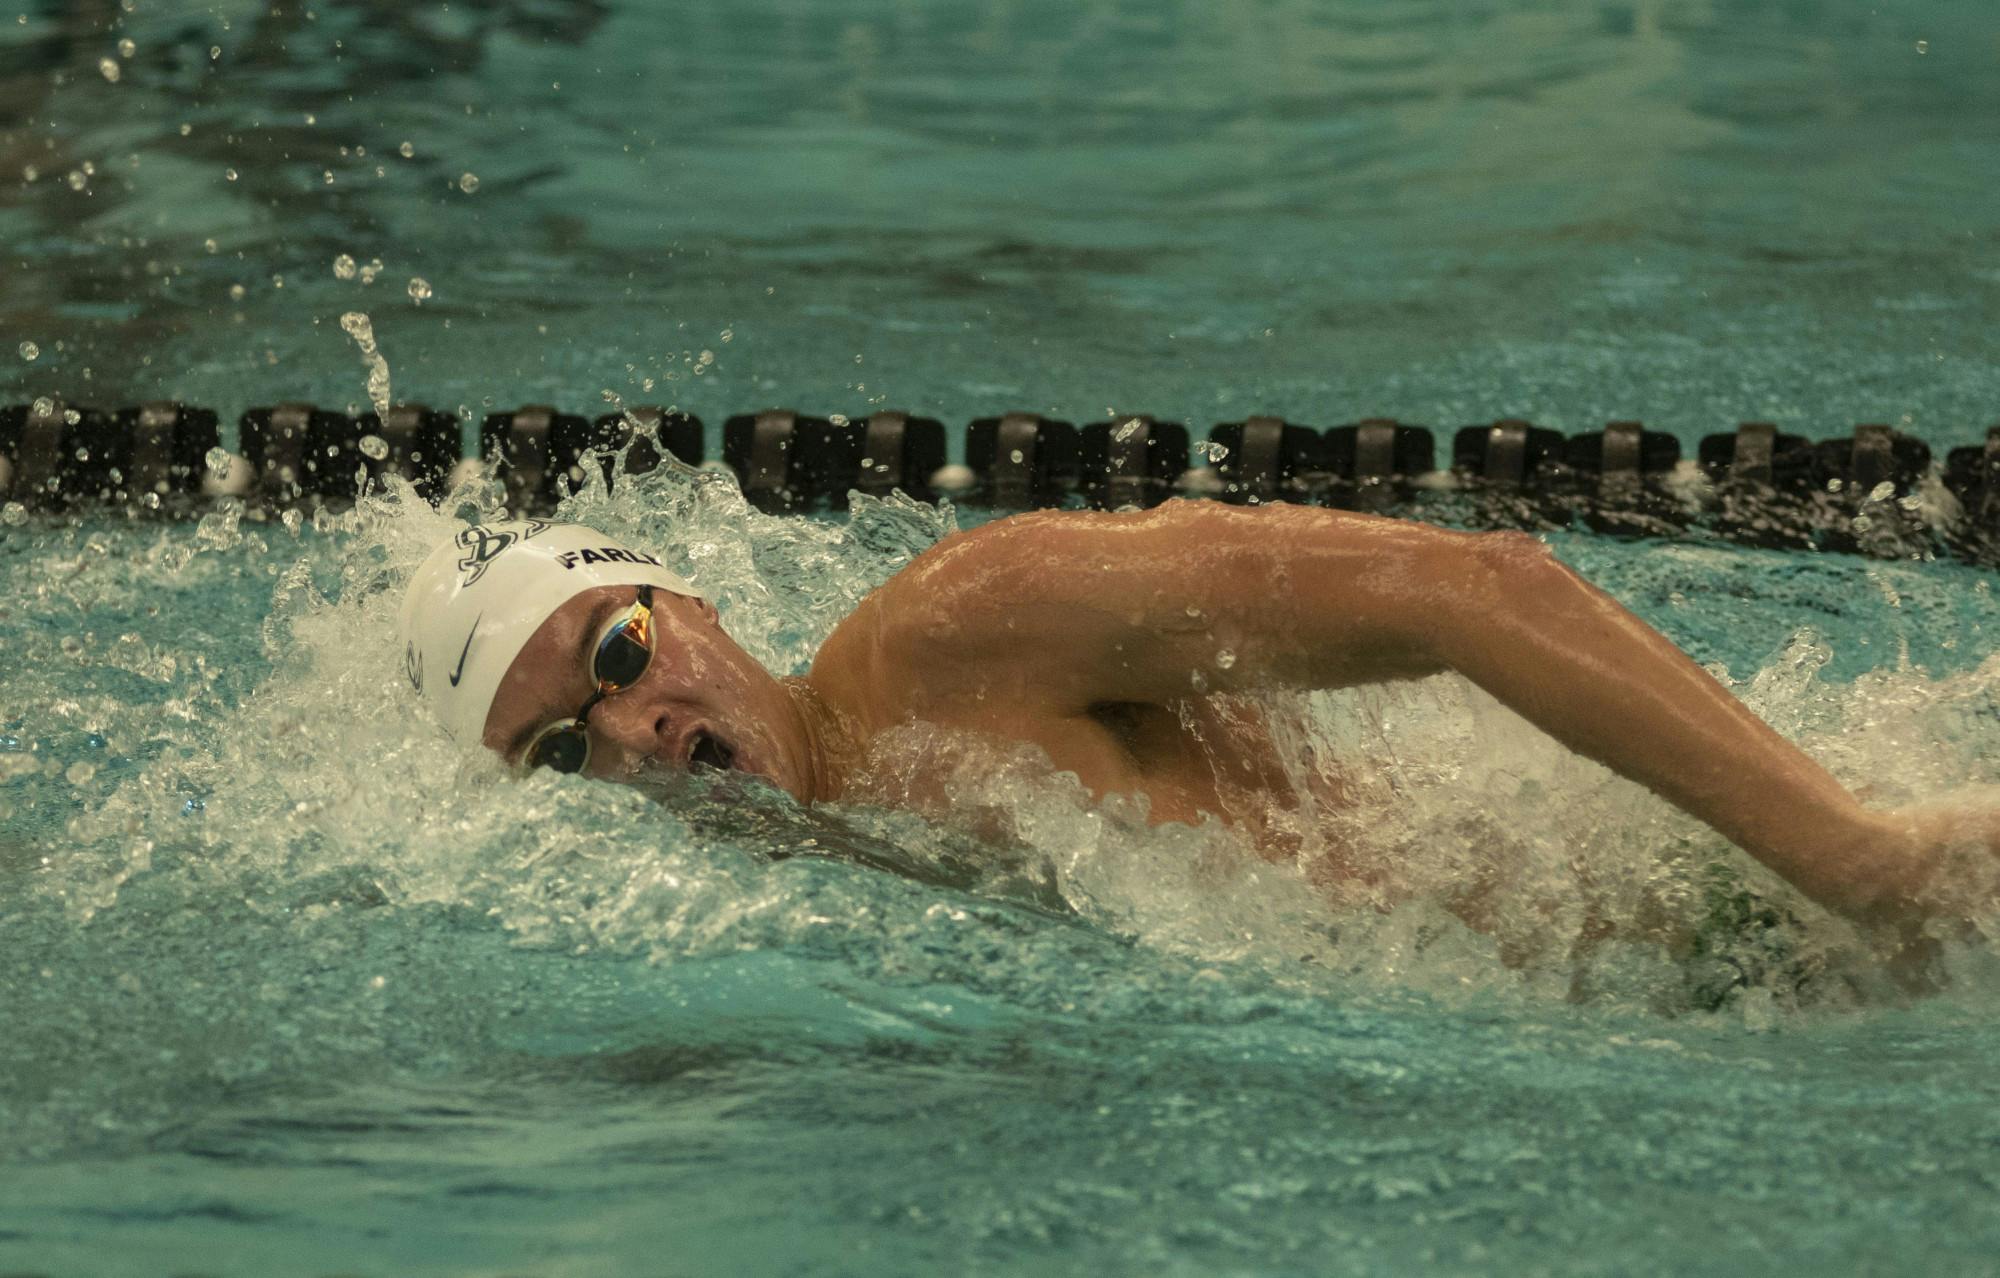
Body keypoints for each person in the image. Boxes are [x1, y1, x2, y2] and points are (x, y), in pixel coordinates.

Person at [397, 502, 1993, 935]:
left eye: (615, 655)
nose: (630, 736)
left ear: (695, 606)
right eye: (559, 751)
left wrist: (1856, 859)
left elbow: (1478, 587)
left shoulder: (958, 634)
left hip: (1763, 931)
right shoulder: (847, 861)